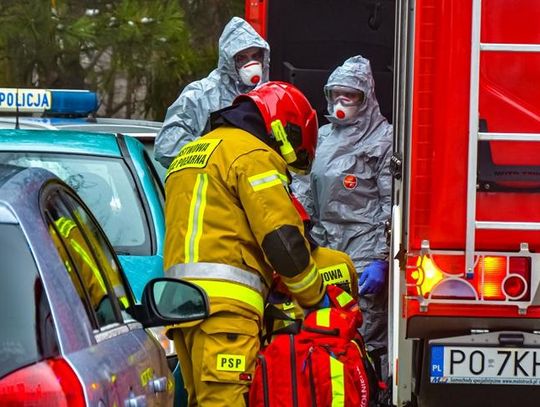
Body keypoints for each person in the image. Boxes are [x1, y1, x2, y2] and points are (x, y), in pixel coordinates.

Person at [164, 81, 325, 406]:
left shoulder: (194, 151)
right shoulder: (253, 155)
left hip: (183, 309)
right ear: (282, 127)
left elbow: (219, 228)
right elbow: (282, 240)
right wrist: (315, 298)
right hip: (225, 313)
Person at [292, 55, 392, 383]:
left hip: (363, 245)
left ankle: (369, 389)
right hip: (324, 244)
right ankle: (328, 390)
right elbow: (304, 187)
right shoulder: (321, 137)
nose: (342, 102)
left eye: (350, 96)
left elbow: (390, 203)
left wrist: (381, 257)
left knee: (364, 326)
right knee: (323, 323)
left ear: (367, 98)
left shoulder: (384, 138)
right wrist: (299, 233)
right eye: (336, 95)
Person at [154, 16, 270, 168]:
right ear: (229, 60)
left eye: (256, 56)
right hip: (216, 187)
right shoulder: (201, 95)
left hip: (259, 187)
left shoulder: (270, 95)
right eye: (242, 58)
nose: (251, 63)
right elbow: (167, 146)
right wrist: (218, 156)